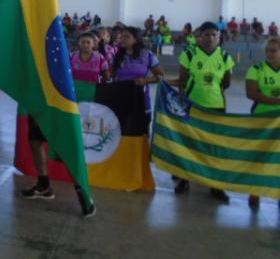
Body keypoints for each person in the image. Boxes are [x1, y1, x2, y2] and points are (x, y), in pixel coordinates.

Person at [173, 21, 235, 201]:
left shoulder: (224, 57)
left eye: (214, 35)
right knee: (189, 143)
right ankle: (184, 179)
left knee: (213, 147)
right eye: (206, 34)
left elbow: (226, 83)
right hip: (192, 105)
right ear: (199, 37)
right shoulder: (190, 54)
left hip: (216, 107)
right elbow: (182, 82)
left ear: (219, 37)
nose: (210, 38)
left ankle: (215, 185)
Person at [245, 37, 280, 209]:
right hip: (261, 119)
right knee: (258, 156)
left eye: (273, 50)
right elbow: (251, 94)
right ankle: (255, 191)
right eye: (267, 50)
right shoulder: (256, 69)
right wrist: (277, 102)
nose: (269, 53)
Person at [111, 27, 164, 123]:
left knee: (141, 130)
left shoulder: (148, 55)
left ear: (136, 39)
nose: (122, 39)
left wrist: (146, 81)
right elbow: (111, 76)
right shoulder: (116, 56)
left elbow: (160, 76)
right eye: (122, 36)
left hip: (141, 100)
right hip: (120, 99)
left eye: (127, 37)